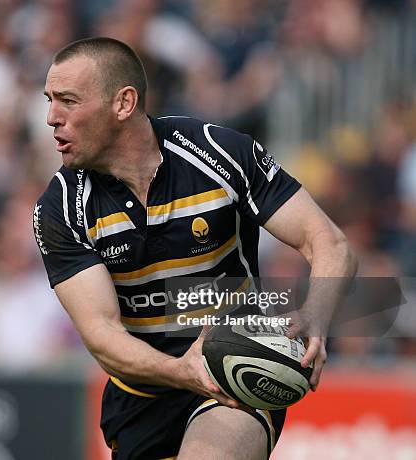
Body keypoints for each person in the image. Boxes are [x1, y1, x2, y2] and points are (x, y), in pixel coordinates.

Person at [33, 37, 357, 460]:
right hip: (141, 397)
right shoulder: (59, 208)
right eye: (50, 100)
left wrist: (316, 314)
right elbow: (101, 334)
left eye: (68, 101)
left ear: (124, 103)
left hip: (235, 374)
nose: (51, 118)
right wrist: (181, 371)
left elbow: (329, 241)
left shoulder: (219, 153)